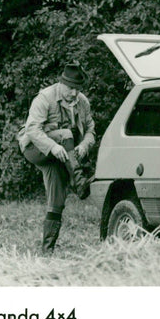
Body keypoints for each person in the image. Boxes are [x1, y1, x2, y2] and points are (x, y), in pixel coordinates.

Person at [17, 63, 95, 254]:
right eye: (71, 88)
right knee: (66, 133)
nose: (75, 93)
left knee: (57, 200)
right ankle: (79, 181)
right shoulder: (45, 98)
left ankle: (47, 250)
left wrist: (85, 144)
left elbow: (91, 130)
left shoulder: (82, 102)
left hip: (62, 155)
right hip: (35, 149)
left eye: (78, 89)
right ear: (61, 83)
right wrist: (53, 146)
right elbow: (32, 130)